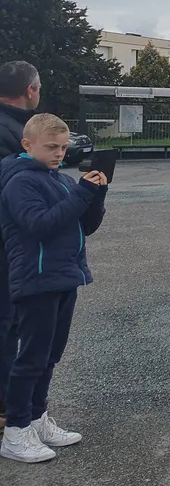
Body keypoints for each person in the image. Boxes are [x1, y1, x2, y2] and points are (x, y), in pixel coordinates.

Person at [0, 113, 106, 463]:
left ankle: (36, 419)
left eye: (62, 147)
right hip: (37, 279)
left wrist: (96, 195)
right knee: (30, 358)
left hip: (63, 276)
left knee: (50, 357)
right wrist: (81, 194)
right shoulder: (20, 183)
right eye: (51, 147)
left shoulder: (57, 179)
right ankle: (15, 432)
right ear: (27, 145)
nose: (59, 153)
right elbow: (40, 225)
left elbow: (84, 225)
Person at [0, 60, 40, 432]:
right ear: (30, 89)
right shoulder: (14, 133)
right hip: (9, 245)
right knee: (8, 324)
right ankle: (10, 413)